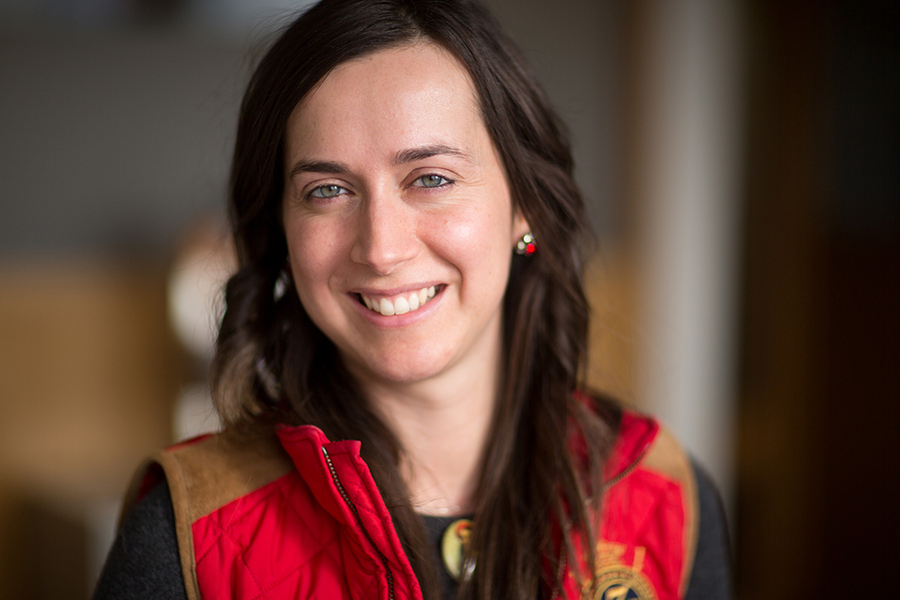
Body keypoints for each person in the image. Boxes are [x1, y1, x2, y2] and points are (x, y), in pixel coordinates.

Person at [94, 0, 730, 598]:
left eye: (431, 178)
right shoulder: (184, 537)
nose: (381, 248)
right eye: (327, 191)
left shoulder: (665, 497)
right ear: (281, 234)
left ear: (525, 207)